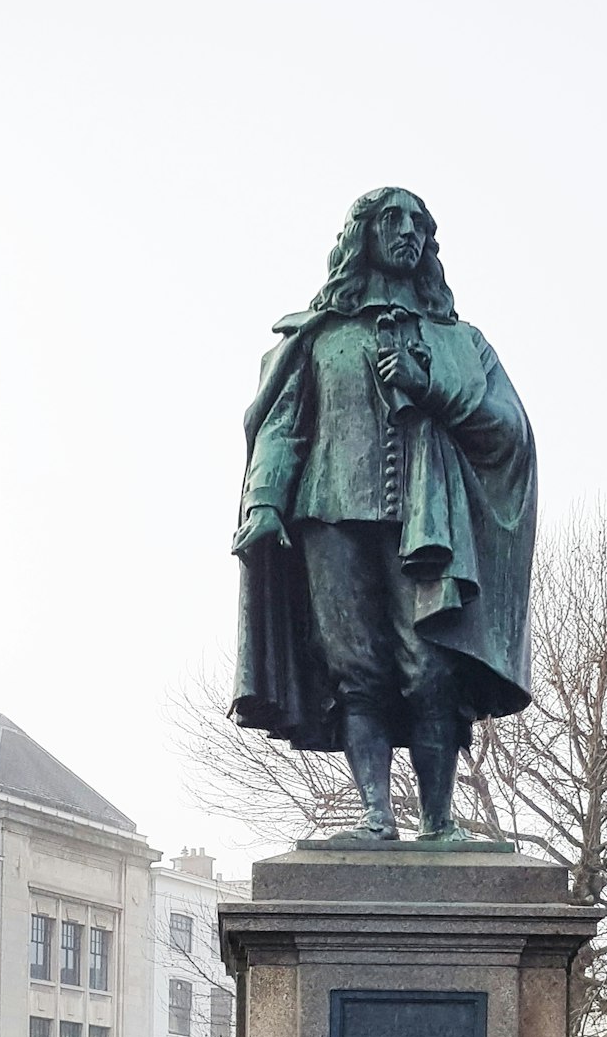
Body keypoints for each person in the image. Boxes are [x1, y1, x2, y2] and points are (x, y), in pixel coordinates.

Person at [229, 187, 537, 842]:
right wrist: (263, 501)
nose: (407, 233)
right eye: (391, 221)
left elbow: (510, 432)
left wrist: (434, 389)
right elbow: (282, 425)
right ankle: (375, 818)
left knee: (431, 670)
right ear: (362, 235)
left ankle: (438, 821)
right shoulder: (319, 339)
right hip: (329, 516)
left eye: (418, 224)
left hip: (426, 524)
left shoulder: (460, 343)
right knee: (355, 669)